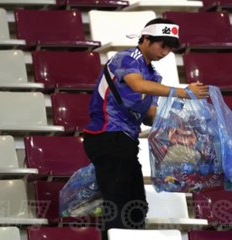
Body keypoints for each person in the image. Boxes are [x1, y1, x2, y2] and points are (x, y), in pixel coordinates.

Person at [83, 17, 209, 240]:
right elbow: (137, 85)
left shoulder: (154, 76)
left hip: (125, 140)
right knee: (119, 202)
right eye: (162, 45)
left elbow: (149, 115)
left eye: (170, 49)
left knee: (136, 205)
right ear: (146, 39)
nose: (165, 52)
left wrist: (180, 123)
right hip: (107, 134)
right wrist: (182, 92)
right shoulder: (126, 58)